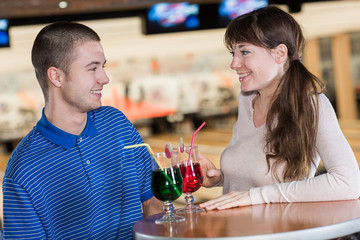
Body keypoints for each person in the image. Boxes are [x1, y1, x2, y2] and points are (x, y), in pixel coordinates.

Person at [2, 21, 162, 239]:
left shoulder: (117, 124)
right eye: (92, 68)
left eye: (103, 67)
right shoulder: (23, 171)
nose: (104, 79)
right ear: (56, 76)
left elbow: (153, 199)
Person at [199, 6, 360, 211]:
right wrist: (220, 178)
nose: (234, 63)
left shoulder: (313, 106)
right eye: (233, 52)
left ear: (280, 53)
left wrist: (256, 195)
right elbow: (255, 184)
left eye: (244, 51)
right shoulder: (246, 100)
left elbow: (348, 183)